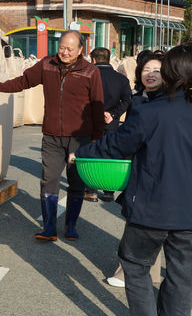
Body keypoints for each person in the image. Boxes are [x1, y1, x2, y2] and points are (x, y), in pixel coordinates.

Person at [71, 45, 192, 316]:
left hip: (151, 210)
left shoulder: (151, 111)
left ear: (171, 72)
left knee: (135, 267)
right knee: (182, 277)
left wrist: (81, 152)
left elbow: (116, 145)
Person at [0, 30, 105, 241]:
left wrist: (96, 139)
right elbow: (23, 81)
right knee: (49, 180)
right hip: (51, 136)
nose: (64, 53)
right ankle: (49, 227)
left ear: (80, 50)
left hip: (80, 138)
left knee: (76, 183)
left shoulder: (90, 72)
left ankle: (71, 226)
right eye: (62, 48)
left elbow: (97, 106)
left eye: (70, 49)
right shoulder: (47, 65)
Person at [105, 52, 165, 288]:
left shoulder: (167, 102)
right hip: (138, 166)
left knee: (147, 226)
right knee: (142, 224)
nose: (150, 75)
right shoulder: (138, 98)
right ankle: (136, 273)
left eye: (157, 71)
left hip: (157, 170)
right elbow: (127, 135)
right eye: (146, 69)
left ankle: (130, 274)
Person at [86, 47, 132, 202]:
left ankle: (91, 190)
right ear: (109, 58)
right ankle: (108, 191)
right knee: (110, 153)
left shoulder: (87, 76)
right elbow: (127, 100)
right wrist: (113, 114)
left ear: (93, 59)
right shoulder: (121, 79)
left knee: (92, 152)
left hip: (90, 121)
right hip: (111, 122)